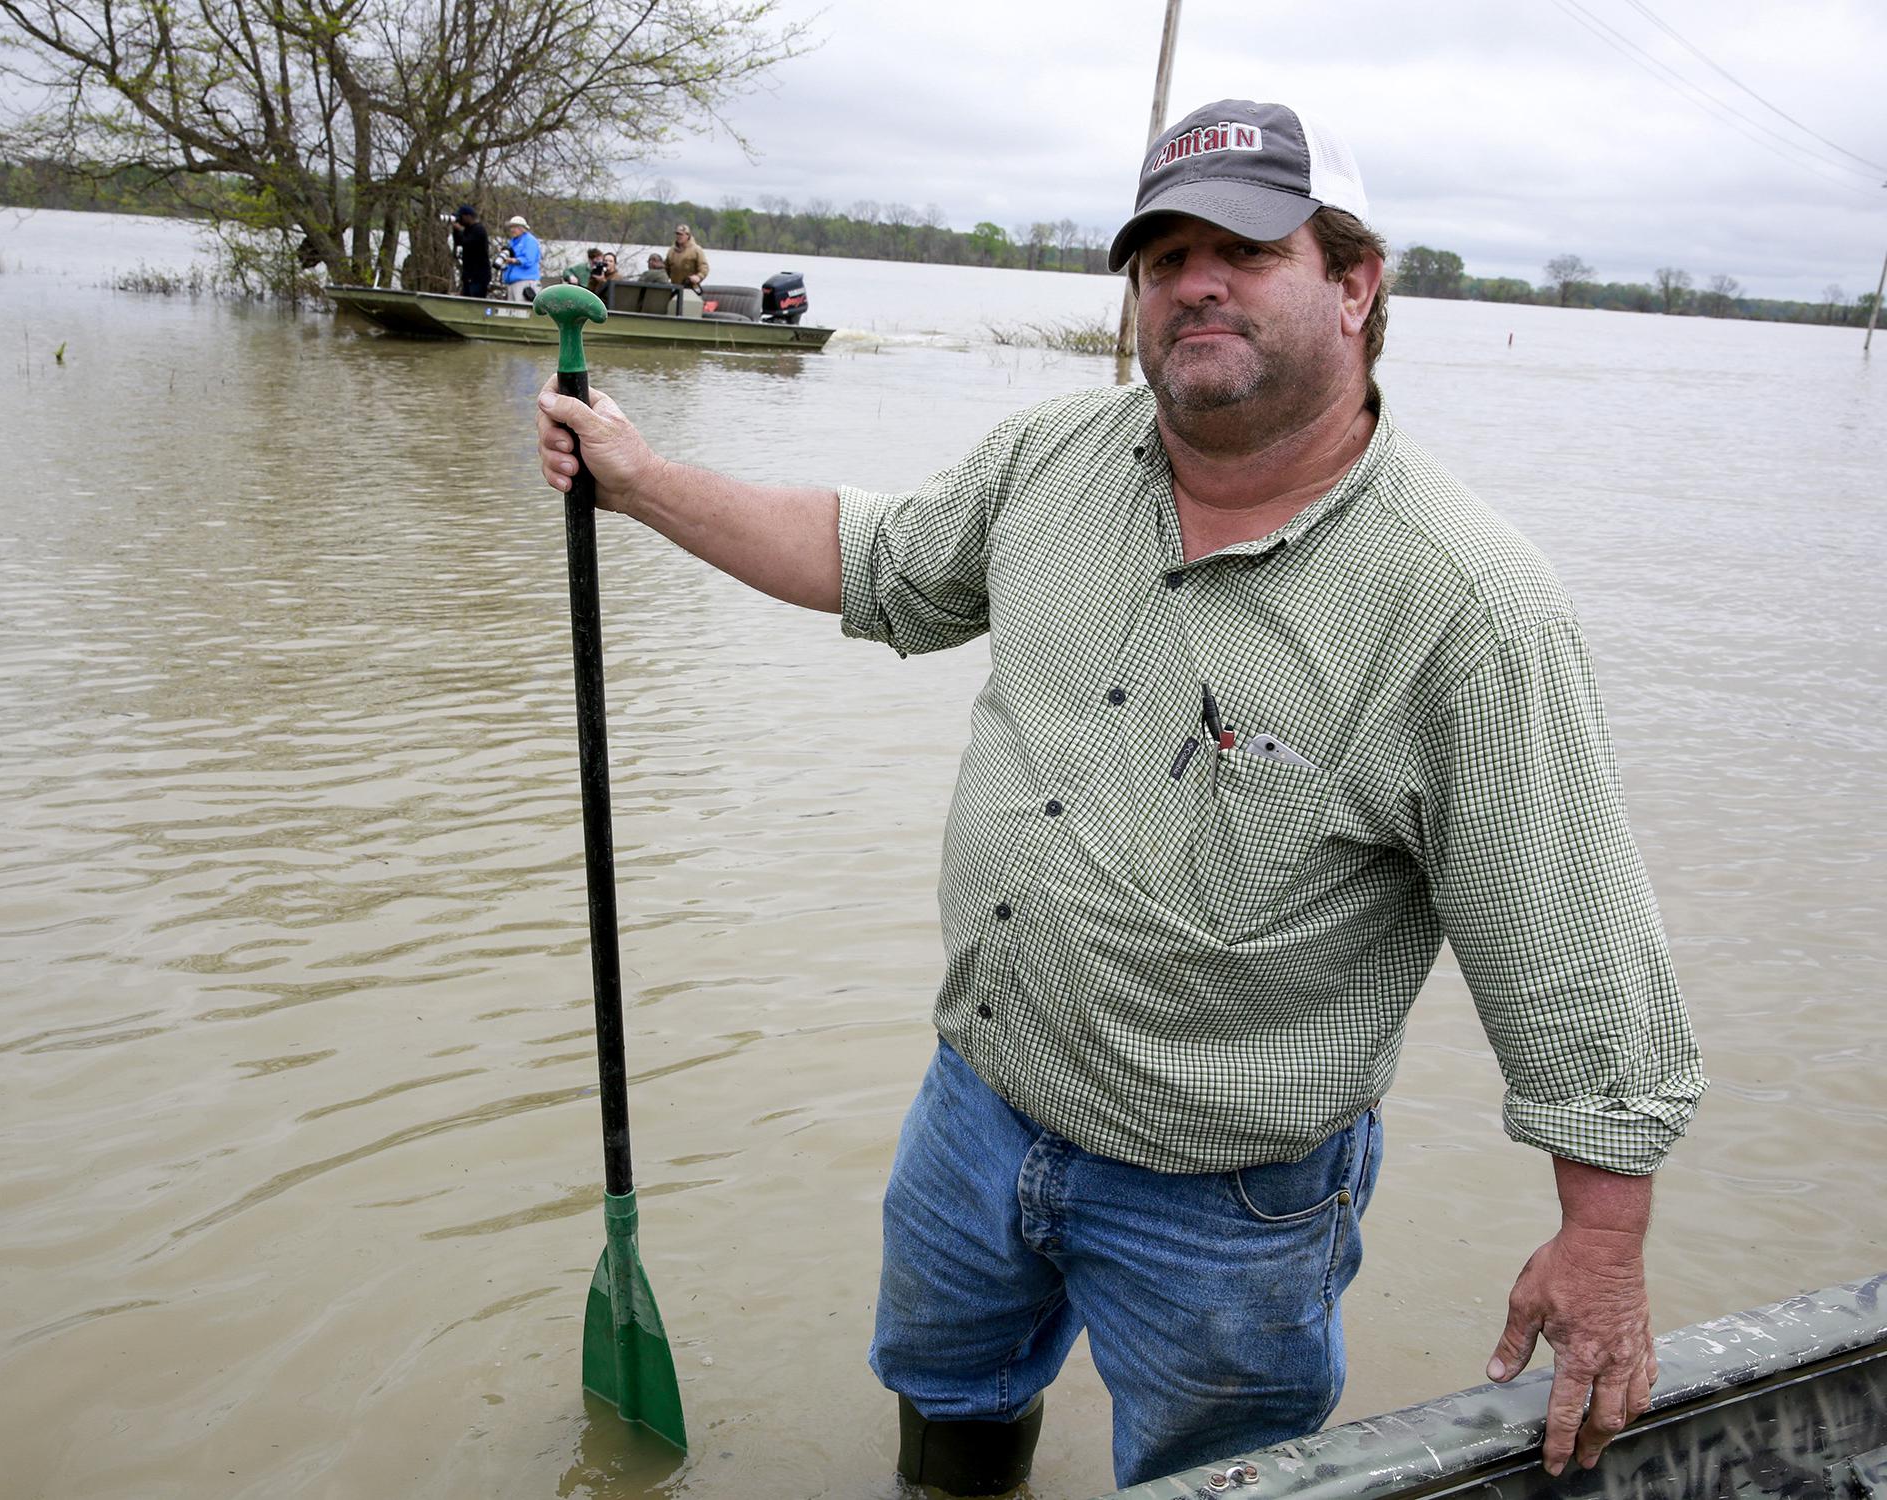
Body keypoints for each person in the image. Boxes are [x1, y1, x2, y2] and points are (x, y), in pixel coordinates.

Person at [535, 98, 1704, 1496]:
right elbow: (872, 561)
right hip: (977, 1098)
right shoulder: (1052, 462)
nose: (1194, 282)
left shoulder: (1469, 608)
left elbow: (1571, 950)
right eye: (1162, 258)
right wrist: (643, 481)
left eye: (1247, 249)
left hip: (1228, 1202)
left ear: (1355, 284)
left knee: (1219, 1477)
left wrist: (1602, 1246)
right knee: (947, 1394)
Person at [451, 205, 490, 299]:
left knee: (475, 302)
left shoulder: (479, 230)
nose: (460, 219)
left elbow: (468, 242)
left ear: (468, 216)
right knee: (466, 302)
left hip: (478, 276)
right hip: (468, 274)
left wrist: (460, 230)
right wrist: (455, 230)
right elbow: (459, 242)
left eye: (461, 217)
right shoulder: (468, 230)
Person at [499, 215, 542, 301]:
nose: (512, 230)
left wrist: (514, 260)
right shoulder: (512, 242)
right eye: (511, 227)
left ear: (522, 228)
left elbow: (529, 260)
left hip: (525, 282)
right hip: (511, 282)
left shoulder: (530, 241)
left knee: (521, 310)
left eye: (515, 227)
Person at [664, 222, 709, 288]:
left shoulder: (696, 249)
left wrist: (698, 277)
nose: (678, 236)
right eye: (677, 234)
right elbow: (666, 268)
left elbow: (704, 267)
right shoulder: (671, 250)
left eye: (681, 234)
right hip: (674, 287)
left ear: (688, 235)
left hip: (691, 288)